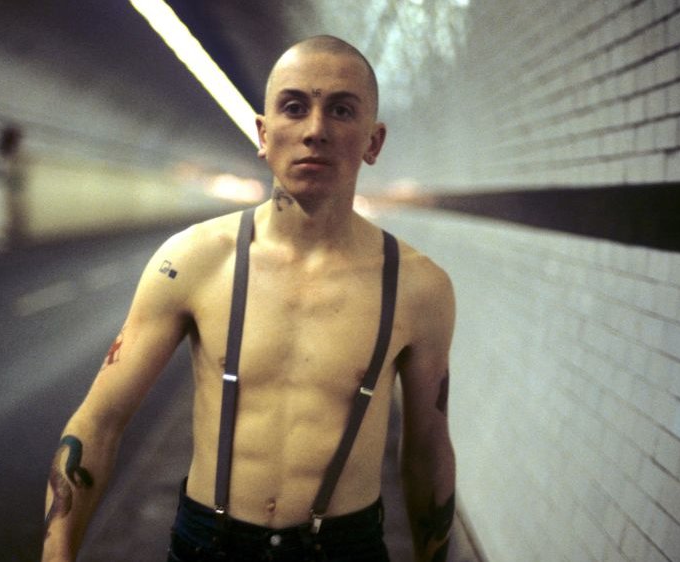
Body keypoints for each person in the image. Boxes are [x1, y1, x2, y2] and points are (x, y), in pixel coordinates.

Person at [41, 35, 456, 562]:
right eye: (294, 107)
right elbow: (99, 422)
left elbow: (426, 453)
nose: (315, 130)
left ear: (373, 142)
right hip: (208, 545)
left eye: (341, 110)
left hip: (344, 549)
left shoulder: (419, 287)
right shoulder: (193, 260)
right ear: (263, 133)